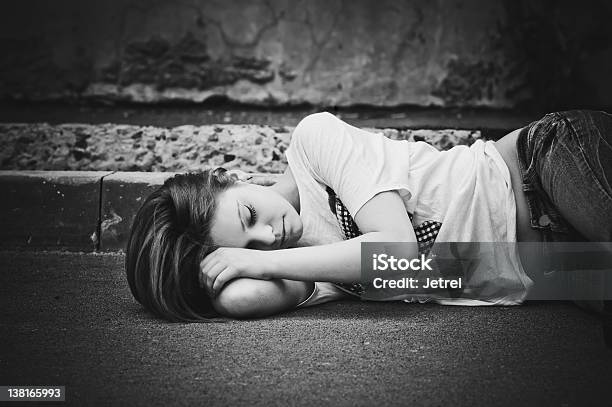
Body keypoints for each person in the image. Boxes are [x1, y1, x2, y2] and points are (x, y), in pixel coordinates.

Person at [125, 110, 612, 322]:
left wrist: (253, 258)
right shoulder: (308, 273)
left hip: (543, 168)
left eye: (250, 214)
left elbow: (396, 251)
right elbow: (240, 298)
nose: (270, 236)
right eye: (249, 246)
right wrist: (240, 264)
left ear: (229, 175)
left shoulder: (316, 145)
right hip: (558, 266)